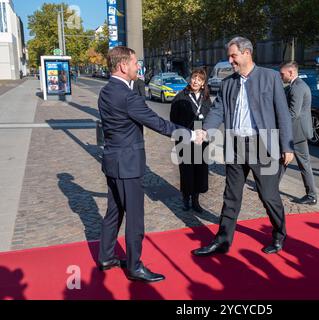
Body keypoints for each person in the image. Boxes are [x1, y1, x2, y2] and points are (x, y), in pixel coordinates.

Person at [97, 46, 197, 283]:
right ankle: (134, 266)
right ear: (122, 66)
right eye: (133, 63)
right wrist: (190, 134)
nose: (137, 68)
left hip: (112, 161)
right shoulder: (127, 95)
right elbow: (158, 123)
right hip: (128, 165)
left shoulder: (105, 91)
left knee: (113, 212)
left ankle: (106, 257)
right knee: (134, 217)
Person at [192, 36, 294, 257]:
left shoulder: (270, 77)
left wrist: (287, 146)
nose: (230, 60)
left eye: (233, 55)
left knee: (268, 195)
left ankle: (279, 234)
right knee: (231, 196)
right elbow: (217, 110)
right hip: (235, 145)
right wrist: (206, 129)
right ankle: (223, 240)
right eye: (229, 56)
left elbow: (283, 114)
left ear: (247, 53)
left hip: (262, 145)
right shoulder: (229, 82)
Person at [170, 68, 212, 212]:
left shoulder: (206, 98)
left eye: (199, 79)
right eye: (194, 78)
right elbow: (173, 118)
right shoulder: (181, 96)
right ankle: (185, 199)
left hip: (202, 140)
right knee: (186, 170)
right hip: (185, 139)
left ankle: (196, 200)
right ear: (190, 79)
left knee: (200, 171)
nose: (196, 81)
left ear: (203, 83)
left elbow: (211, 117)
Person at [279, 61, 317, 205]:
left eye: (282, 74)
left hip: (297, 132)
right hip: (297, 131)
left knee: (301, 164)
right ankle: (270, 187)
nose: (281, 76)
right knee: (283, 160)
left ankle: (312, 195)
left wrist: (279, 123)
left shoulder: (297, 87)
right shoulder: (295, 86)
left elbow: (293, 113)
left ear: (291, 72)